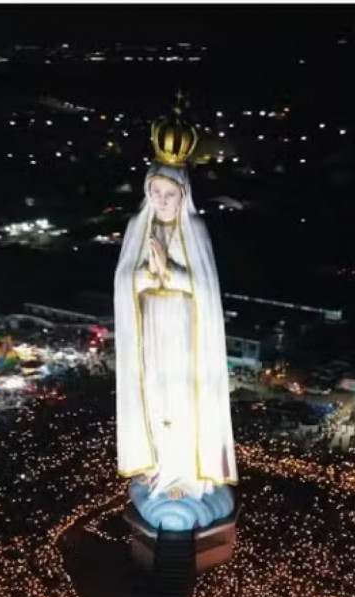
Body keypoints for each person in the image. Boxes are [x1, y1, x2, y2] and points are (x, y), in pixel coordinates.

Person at [113, 96, 237, 529]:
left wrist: (172, 271)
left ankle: (184, 474)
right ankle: (157, 468)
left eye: (171, 194)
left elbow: (205, 289)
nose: (163, 200)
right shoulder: (137, 228)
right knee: (154, 396)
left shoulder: (195, 230)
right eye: (156, 193)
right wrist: (148, 276)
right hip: (151, 330)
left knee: (183, 400)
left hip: (185, 334)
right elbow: (124, 282)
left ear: (183, 194)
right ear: (148, 192)